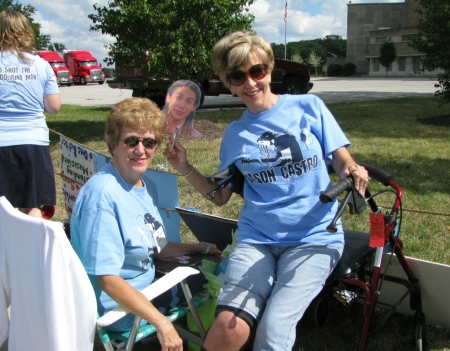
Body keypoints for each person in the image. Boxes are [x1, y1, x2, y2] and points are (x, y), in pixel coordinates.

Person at [163, 31, 369, 351]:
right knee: (226, 329)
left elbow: (342, 161)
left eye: (257, 71)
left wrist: (353, 170)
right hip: (257, 238)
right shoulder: (235, 134)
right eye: (237, 76)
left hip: (313, 236)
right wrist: (185, 167)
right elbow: (220, 196)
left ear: (270, 69)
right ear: (228, 82)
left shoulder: (308, 107)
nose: (250, 83)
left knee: (273, 329)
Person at [70, 97, 220, 351]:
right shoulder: (103, 197)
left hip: (145, 288)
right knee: (210, 280)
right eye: (131, 141)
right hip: (120, 310)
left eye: (149, 141)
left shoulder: (144, 185)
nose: (141, 149)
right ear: (113, 146)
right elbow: (106, 279)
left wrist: (201, 248)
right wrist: (161, 323)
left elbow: (158, 246)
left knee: (210, 268)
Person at [0, 10, 61, 218]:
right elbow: (54, 106)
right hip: (32, 141)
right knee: (32, 205)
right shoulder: (41, 65)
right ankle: (32, 250)